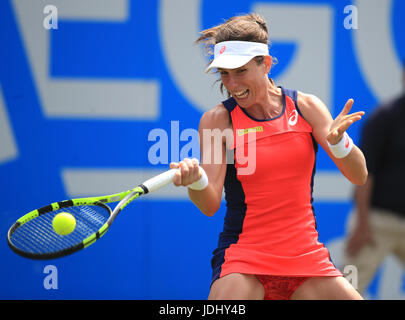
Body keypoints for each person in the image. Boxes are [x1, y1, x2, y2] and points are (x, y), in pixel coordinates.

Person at [170, 13, 367, 300]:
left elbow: (358, 174)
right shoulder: (218, 120)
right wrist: (196, 180)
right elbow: (209, 203)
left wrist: (339, 145)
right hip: (243, 261)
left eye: (240, 71)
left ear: (266, 64)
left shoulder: (306, 107)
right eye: (224, 73)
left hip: (307, 261)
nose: (232, 84)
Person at [343, 59, 405, 295]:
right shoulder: (385, 117)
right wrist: (362, 224)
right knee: (348, 290)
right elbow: (364, 176)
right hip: (376, 223)